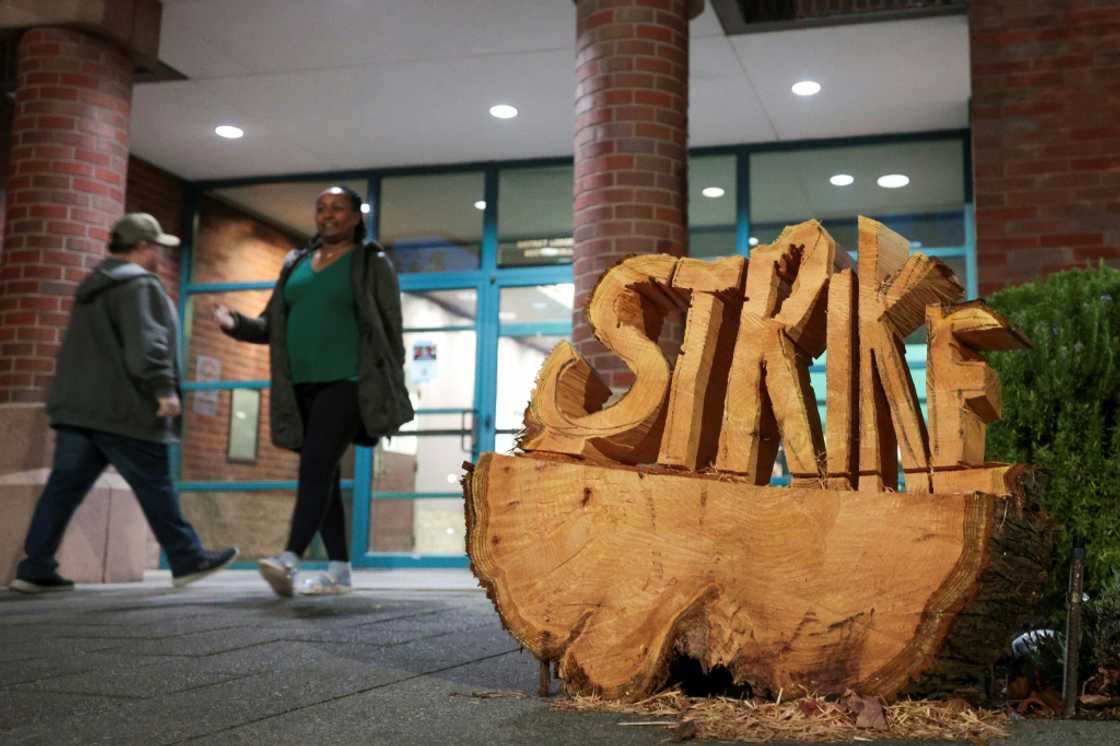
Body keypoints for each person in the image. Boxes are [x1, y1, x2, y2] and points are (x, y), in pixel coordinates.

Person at [10, 213, 239, 594]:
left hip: (79, 410)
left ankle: (35, 566)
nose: (159, 257)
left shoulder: (93, 286)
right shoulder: (139, 286)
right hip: (123, 408)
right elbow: (148, 343)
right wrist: (164, 389)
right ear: (141, 247)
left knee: (63, 489)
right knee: (156, 485)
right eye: (156, 248)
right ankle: (187, 558)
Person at [214, 186, 412, 597]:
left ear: (357, 217)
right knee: (321, 472)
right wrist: (235, 323)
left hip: (349, 382)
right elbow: (272, 326)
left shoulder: (370, 262)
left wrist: (387, 381)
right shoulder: (296, 263)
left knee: (316, 464)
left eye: (338, 208)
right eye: (321, 209)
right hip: (300, 385)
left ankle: (290, 555)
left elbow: (389, 329)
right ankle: (339, 570)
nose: (328, 215)